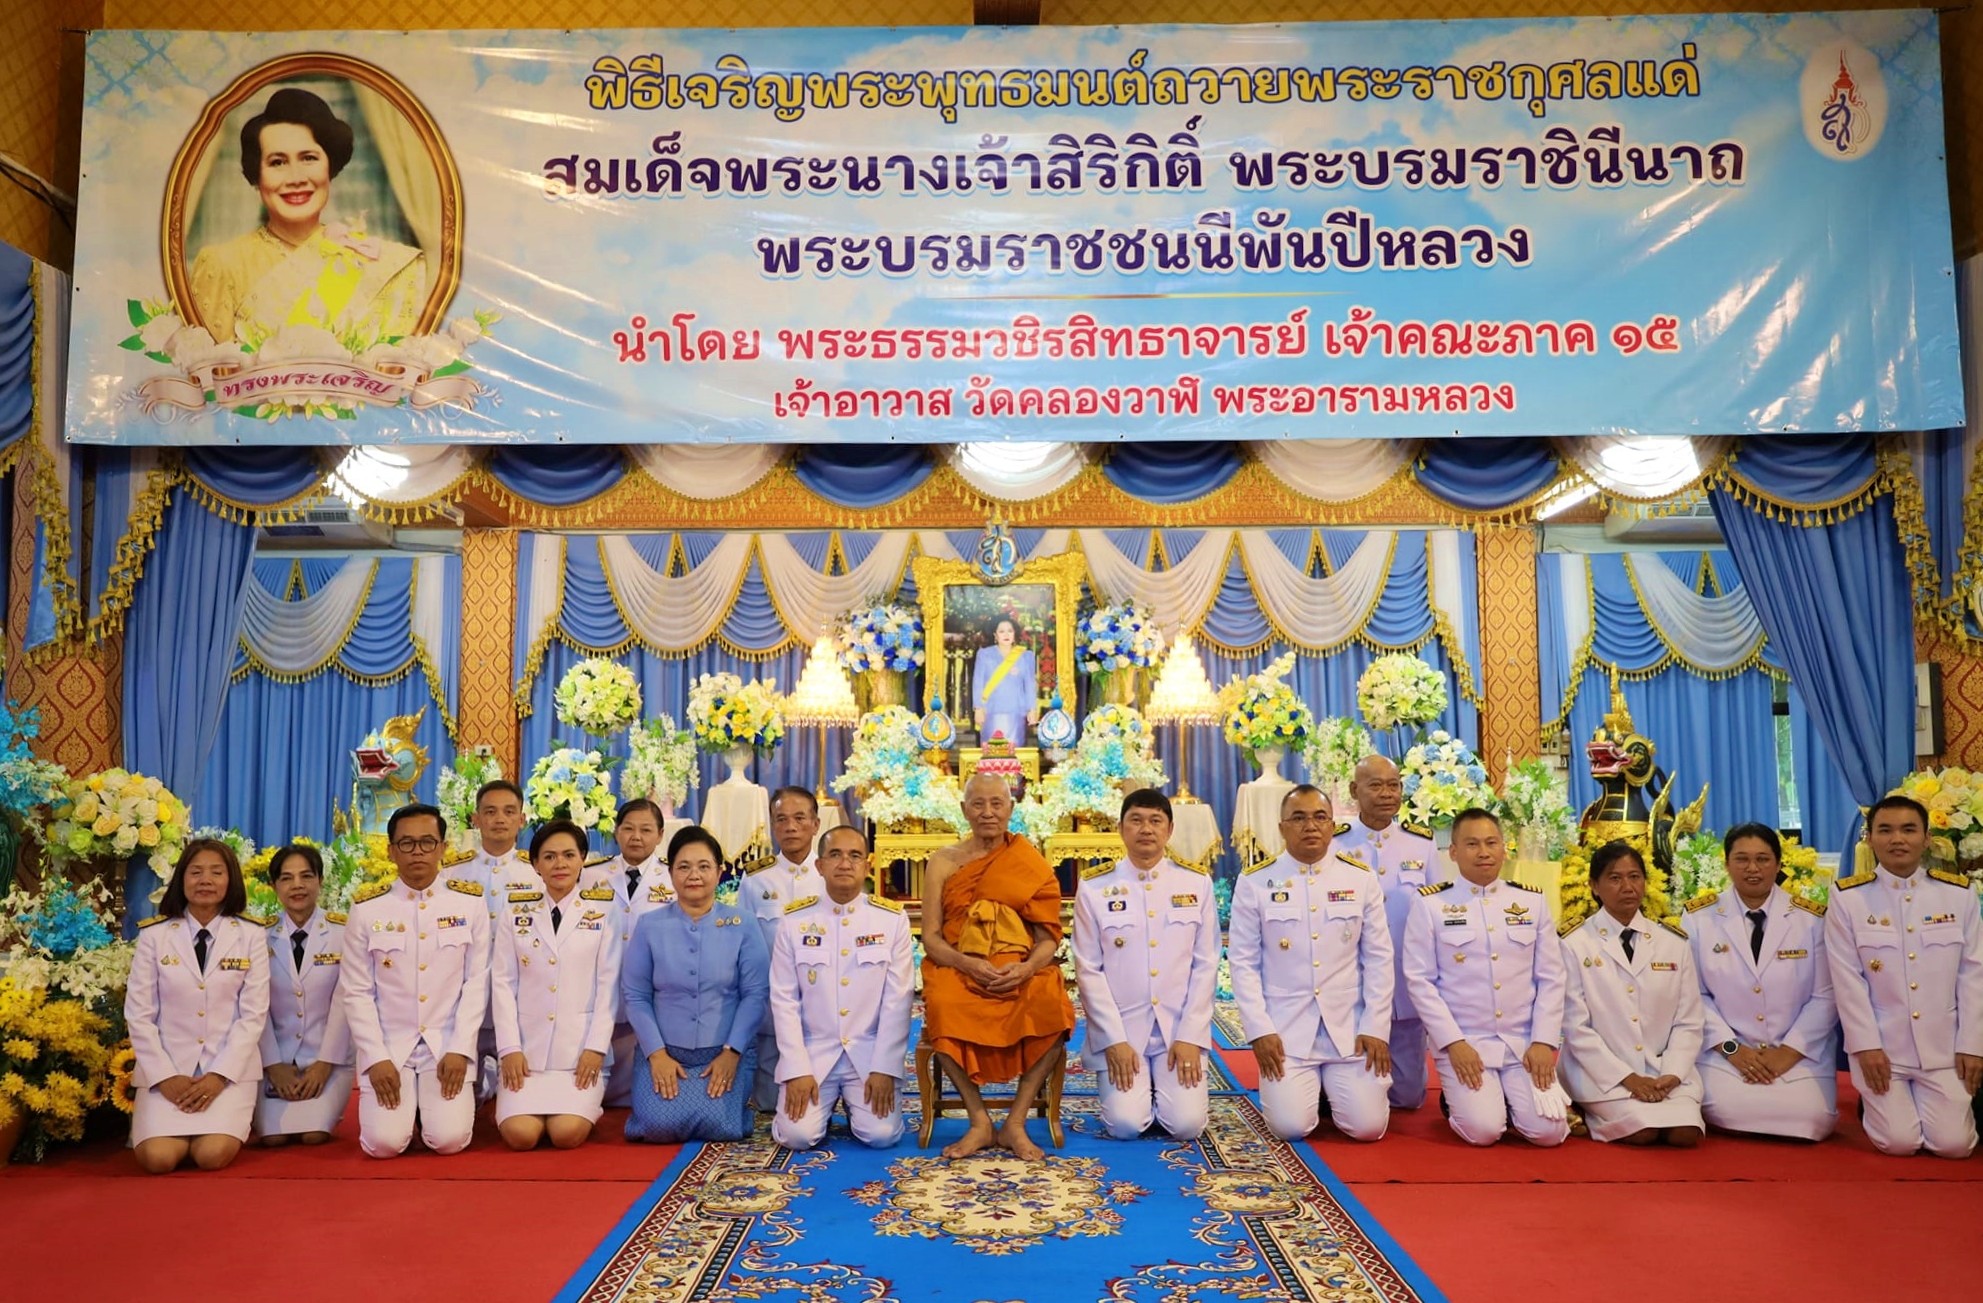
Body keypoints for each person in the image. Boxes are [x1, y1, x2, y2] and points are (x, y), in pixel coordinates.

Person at [188, 87, 428, 346]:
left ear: (329, 167)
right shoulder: (222, 263)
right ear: (257, 175)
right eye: (277, 162)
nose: (296, 178)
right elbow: (210, 374)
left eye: (309, 158)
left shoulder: (375, 259)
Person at [920, 773, 1077, 1160]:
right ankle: (979, 1121)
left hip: (1017, 969)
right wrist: (967, 965)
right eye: (978, 804)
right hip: (960, 968)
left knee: (1052, 1001)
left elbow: (1047, 940)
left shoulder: (1028, 861)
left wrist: (1025, 970)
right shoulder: (943, 862)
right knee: (941, 1003)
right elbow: (932, 937)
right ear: (964, 810)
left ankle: (1016, 1122)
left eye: (996, 804)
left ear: (1010, 809)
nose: (987, 812)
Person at [1229, 785, 1394, 1143]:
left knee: (1367, 1129)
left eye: (1320, 817)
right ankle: (1313, 1092)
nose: (1311, 826)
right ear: (1282, 827)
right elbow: (1242, 962)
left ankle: (1329, 1090)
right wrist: (1259, 1029)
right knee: (1290, 1128)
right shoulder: (1255, 882)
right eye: (1299, 818)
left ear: (1333, 825)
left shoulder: (1360, 879)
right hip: (1286, 1029)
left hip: (1349, 1028)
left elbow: (1379, 957)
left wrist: (1376, 1026)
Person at [1825, 795, 1982, 1158]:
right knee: (1900, 1144)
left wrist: (1972, 1045)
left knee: (1954, 1146)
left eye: (1909, 829)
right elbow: (1847, 980)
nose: (1898, 839)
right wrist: (1866, 1046)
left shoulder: (1958, 895)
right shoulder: (1848, 898)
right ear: (1869, 837)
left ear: (1926, 838)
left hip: (1944, 1048)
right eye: (1886, 830)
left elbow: (1973, 974)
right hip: (1882, 1050)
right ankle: (1880, 1102)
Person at [1402, 808, 1568, 1147]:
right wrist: (1453, 1043)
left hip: (1522, 1041)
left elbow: (1551, 976)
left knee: (1549, 1133)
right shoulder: (1432, 905)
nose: (1484, 852)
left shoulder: (1530, 901)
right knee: (1484, 1131)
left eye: (1492, 842)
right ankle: (1459, 1102)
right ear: (1453, 852)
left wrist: (1544, 1041)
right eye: (1472, 844)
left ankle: (1508, 1099)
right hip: (1467, 1042)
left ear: (1504, 847)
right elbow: (1420, 981)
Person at [341, 803, 491, 1159]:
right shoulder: (367, 910)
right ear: (391, 850)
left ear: (443, 847)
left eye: (427, 842)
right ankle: (414, 1105)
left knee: (448, 1141)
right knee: (383, 1146)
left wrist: (460, 1048)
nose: (418, 852)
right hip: (391, 1045)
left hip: (446, 1041)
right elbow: (357, 992)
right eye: (407, 844)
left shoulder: (469, 904)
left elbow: (476, 983)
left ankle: (457, 1094)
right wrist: (375, 1057)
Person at [1072, 787, 1221, 1141]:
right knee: (1125, 1126)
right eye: (1135, 821)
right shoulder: (1095, 888)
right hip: (1123, 1030)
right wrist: (1113, 1040)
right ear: (1121, 829)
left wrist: (1190, 1036)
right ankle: (1139, 1089)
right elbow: (1088, 969)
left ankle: (1163, 1088)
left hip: (1177, 1030)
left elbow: (1206, 964)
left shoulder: (1196, 883)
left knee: (1186, 1126)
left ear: (1169, 830)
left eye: (1156, 821)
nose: (1146, 829)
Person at [1684, 823, 1839, 1142]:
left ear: (1779, 864)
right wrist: (1732, 1049)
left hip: (1797, 1052)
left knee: (1813, 1118)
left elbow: (1825, 997)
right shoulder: (1699, 918)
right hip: (1726, 1053)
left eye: (1763, 859)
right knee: (1726, 1109)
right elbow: (1693, 995)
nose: (1752, 869)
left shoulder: (1810, 919)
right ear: (1726, 864)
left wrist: (1789, 1052)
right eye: (1741, 859)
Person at [126, 839, 271, 1173]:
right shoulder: (155, 936)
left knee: (211, 1155)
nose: (206, 880)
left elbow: (252, 1015)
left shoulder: (250, 936)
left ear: (230, 880)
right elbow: (139, 1014)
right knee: (157, 1160)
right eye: (196, 872)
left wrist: (218, 1077)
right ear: (181, 879)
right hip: (167, 1071)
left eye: (216, 872)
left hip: (227, 1074)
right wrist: (165, 1077)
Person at [769, 824, 913, 1150]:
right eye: (835, 855)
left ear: (868, 864)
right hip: (813, 1054)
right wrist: (796, 1069)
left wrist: (884, 1067)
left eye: (854, 856)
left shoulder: (890, 920)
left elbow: (898, 999)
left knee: (882, 1136)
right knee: (797, 1137)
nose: (845, 863)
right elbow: (783, 999)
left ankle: (852, 1103)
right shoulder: (793, 922)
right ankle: (827, 1101)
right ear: (819, 866)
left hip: (868, 1053)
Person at [622, 827, 769, 1143]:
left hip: (725, 1050)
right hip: (664, 1052)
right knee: (655, 1126)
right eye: (684, 866)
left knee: (721, 1125)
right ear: (670, 872)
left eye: (704, 866)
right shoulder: (649, 926)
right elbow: (635, 995)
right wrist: (657, 1054)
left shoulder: (743, 924)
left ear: (719, 872)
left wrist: (732, 1052)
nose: (694, 875)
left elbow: (755, 994)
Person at [1559, 841, 1705, 1146]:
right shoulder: (1574, 943)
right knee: (1643, 1131)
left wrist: (1673, 1074)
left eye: (1635, 876)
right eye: (1615, 878)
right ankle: (1591, 1111)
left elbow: (1688, 1021)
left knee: (1685, 1134)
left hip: (1663, 1071)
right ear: (1594, 886)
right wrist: (1627, 1078)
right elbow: (1575, 1028)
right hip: (1602, 1073)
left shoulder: (1672, 943)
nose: (1627, 886)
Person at [492, 819, 623, 1151]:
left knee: (566, 1134)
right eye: (549, 857)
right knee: (520, 1137)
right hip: (526, 1053)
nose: (559, 864)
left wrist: (595, 1048)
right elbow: (503, 983)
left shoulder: (603, 912)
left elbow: (609, 986)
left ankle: (583, 1102)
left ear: (582, 859)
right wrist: (509, 1049)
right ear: (535, 864)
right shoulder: (515, 912)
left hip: (578, 1054)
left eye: (568, 855)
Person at [1332, 753, 1437, 1110]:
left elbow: (1437, 912)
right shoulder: (1335, 845)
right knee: (1354, 1097)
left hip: (1404, 984)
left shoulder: (1421, 844)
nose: (1386, 794)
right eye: (1375, 785)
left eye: (1393, 785)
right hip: (1352, 985)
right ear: (1353, 790)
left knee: (1407, 1099)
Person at [255, 843, 353, 1145]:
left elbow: (347, 1003)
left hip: (329, 1059)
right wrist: (273, 1065)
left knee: (313, 1135)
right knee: (272, 1141)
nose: (297, 886)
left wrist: (325, 1063)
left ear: (320, 881)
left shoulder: (345, 932)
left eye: (306, 876)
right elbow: (253, 1006)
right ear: (274, 886)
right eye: (286, 878)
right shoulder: (257, 937)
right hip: (274, 1062)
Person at [584, 798, 675, 1107]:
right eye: (629, 829)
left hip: (652, 993)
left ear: (660, 835)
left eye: (646, 830)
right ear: (616, 831)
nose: (636, 837)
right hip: (597, 988)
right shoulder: (589, 876)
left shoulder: (674, 878)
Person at [746, 786, 827, 1111]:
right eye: (781, 819)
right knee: (768, 1104)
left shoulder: (830, 874)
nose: (791, 827)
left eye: (799, 818)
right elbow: (749, 944)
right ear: (772, 825)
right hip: (772, 1002)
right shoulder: (756, 878)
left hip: (823, 1000)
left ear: (816, 824)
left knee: (819, 1101)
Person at [971, 616, 1037, 745]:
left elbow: (1029, 685)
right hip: (990, 711)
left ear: (1014, 634)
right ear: (995, 635)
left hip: (1017, 712)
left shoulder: (1025, 656)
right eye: (1001, 631)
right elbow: (978, 683)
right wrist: (978, 708)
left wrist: (1032, 710)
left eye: (1010, 631)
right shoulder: (984, 655)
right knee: (991, 756)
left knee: (1015, 757)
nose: (1006, 635)